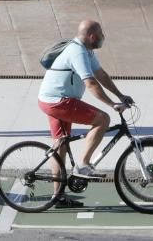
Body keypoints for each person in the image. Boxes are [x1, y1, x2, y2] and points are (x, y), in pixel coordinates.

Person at [37, 20, 133, 208]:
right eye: (101, 33)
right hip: (58, 101)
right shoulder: (78, 52)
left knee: (60, 146)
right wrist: (112, 104)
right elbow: (91, 83)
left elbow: (101, 75)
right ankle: (84, 164)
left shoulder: (86, 50)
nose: (103, 36)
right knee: (102, 119)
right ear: (91, 36)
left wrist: (121, 95)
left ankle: (58, 197)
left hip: (51, 99)